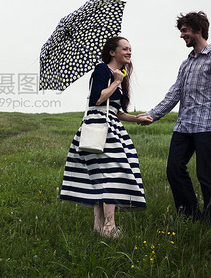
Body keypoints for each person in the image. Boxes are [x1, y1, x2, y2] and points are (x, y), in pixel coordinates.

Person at [140, 11, 211, 224]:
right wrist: (152, 115)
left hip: (207, 126)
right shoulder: (186, 64)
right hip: (184, 126)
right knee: (174, 168)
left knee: (206, 174)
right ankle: (189, 216)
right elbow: (174, 93)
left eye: (184, 31)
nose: (181, 35)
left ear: (198, 30)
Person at [59, 36, 151, 238]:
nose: (129, 52)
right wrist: (116, 81)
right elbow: (97, 99)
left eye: (130, 49)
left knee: (105, 175)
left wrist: (137, 118)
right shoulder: (103, 70)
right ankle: (109, 227)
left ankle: (99, 227)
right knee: (111, 174)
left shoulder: (121, 75)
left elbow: (117, 111)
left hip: (112, 126)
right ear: (112, 52)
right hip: (99, 127)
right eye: (125, 49)